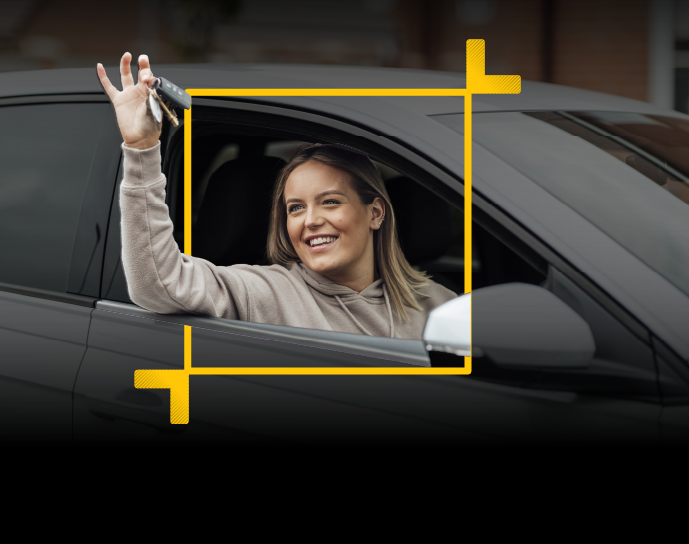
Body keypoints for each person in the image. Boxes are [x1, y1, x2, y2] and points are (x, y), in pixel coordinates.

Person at [96, 53, 457, 339]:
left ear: (376, 212)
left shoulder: (439, 305)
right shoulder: (269, 292)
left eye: (330, 201)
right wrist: (141, 149)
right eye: (295, 208)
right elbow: (158, 283)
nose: (310, 220)